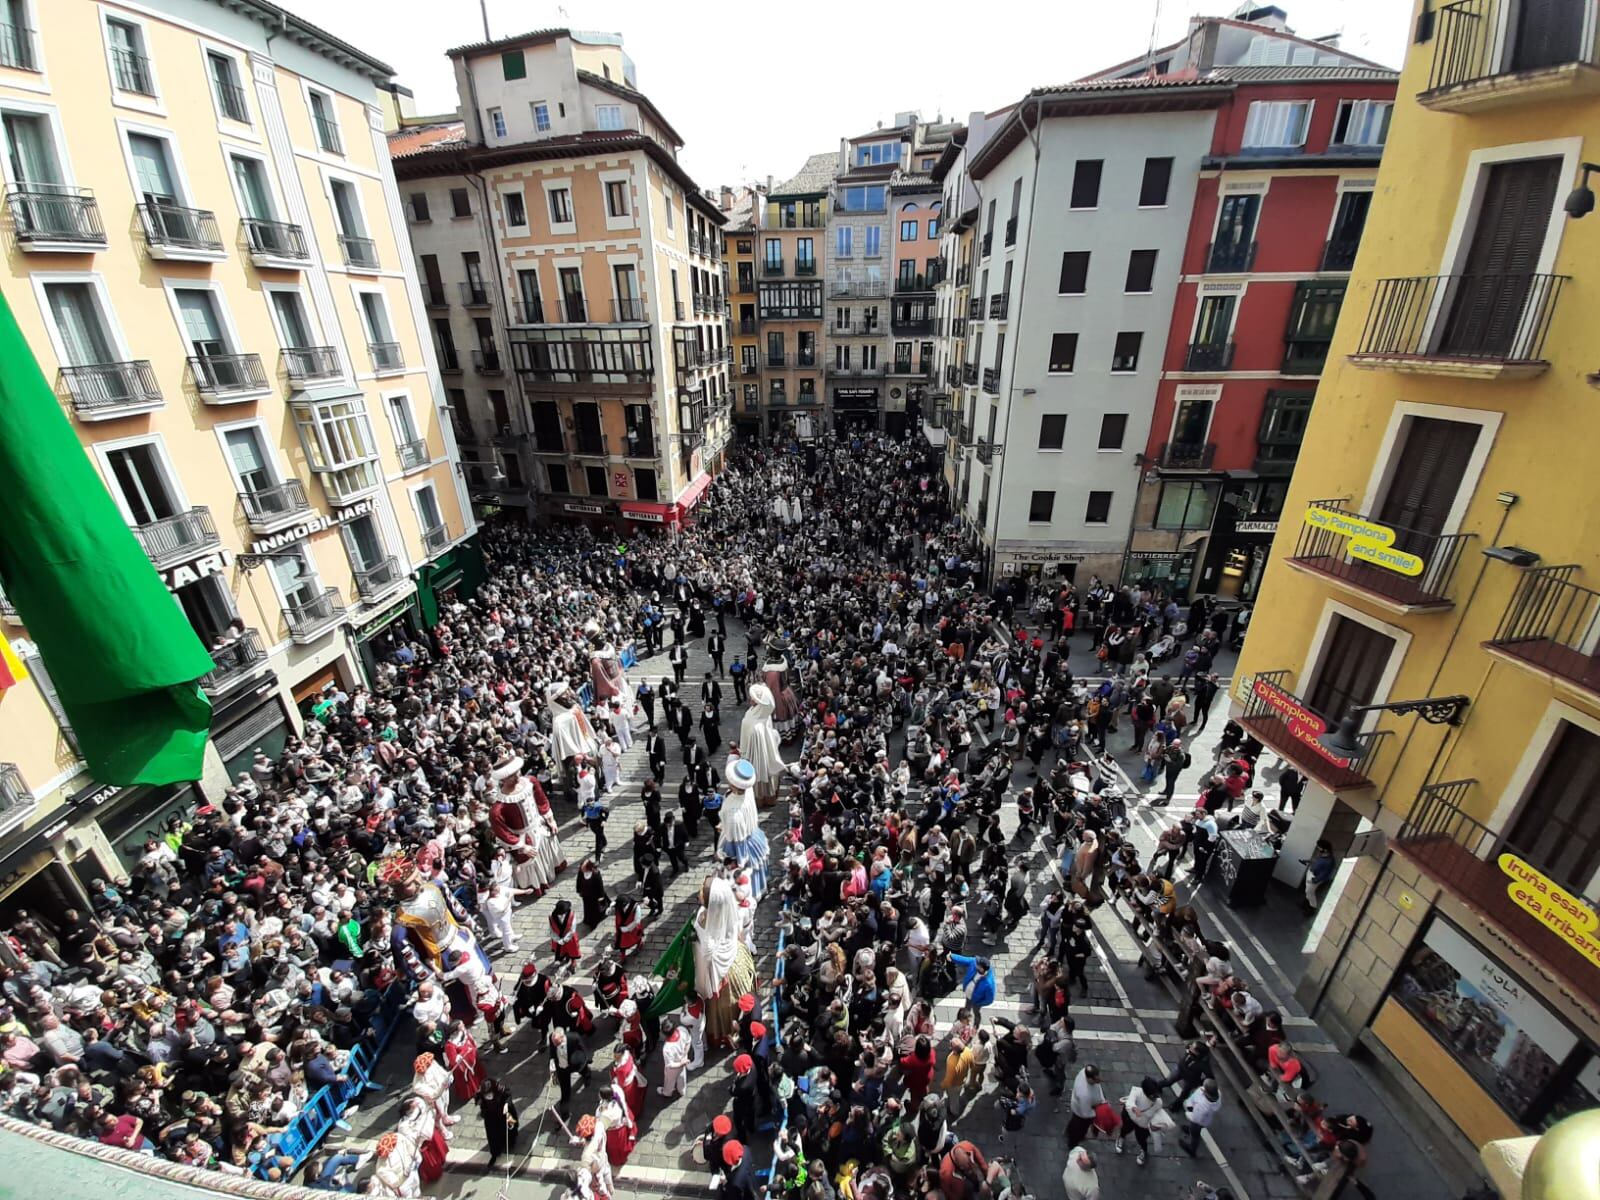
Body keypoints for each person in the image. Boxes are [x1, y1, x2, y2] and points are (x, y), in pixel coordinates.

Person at [477, 1077, 518, 1170]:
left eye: (489, 1094)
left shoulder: (500, 1089)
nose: (488, 1097)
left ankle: (510, 1143)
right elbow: (478, 1100)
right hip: (491, 1117)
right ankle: (495, 1153)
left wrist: (507, 1104)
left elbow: (508, 1095)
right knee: (492, 1135)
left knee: (508, 1130)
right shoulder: (481, 1093)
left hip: (503, 1114)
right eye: (486, 1095)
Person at [1180, 1077, 1221, 1156]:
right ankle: (1189, 1130)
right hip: (1205, 1119)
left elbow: (1195, 1119)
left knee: (1195, 1134)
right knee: (1195, 1129)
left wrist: (1187, 1113)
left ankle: (1192, 1149)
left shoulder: (1202, 1107)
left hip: (1198, 1122)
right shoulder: (1218, 1094)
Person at [1066, 1064, 1105, 1147]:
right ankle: (1073, 1144)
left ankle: (1069, 1132)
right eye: (1096, 1079)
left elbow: (1098, 1087)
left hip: (1079, 1107)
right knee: (1079, 1130)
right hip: (1081, 1115)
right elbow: (1086, 1114)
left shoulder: (1085, 1072)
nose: (1099, 1080)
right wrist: (1098, 1112)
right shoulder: (1084, 1094)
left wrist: (1102, 1100)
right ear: (1090, 1079)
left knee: (1073, 1123)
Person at [1303, 841, 1336, 911]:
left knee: (1310, 892)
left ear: (1325, 850)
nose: (1318, 849)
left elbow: (1324, 874)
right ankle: (1306, 903)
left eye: (1319, 848)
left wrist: (1314, 880)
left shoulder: (1330, 861)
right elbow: (1317, 861)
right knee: (1307, 890)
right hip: (1311, 872)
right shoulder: (1322, 854)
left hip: (1315, 877)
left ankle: (1312, 908)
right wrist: (1309, 861)